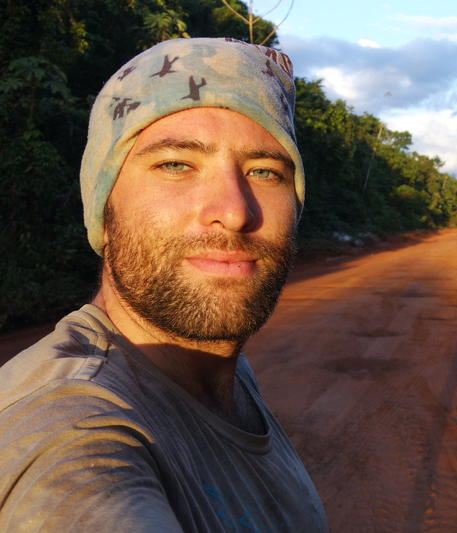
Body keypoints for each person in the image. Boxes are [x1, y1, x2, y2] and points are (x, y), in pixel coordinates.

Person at [0, 38, 327, 532]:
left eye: (264, 171)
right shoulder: (66, 424)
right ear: (104, 207)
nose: (234, 212)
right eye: (176, 164)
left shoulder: (225, 372)